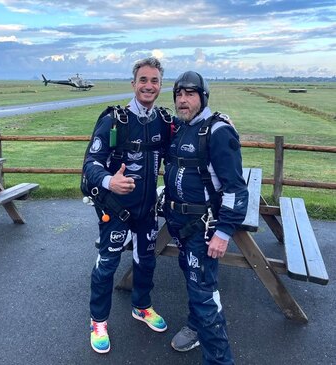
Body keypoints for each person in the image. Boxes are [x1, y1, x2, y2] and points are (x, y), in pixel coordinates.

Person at [81, 57, 171, 354]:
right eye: (143, 80)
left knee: (146, 260)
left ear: (160, 85)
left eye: (154, 80)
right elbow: (90, 165)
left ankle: (142, 306)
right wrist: (109, 181)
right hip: (117, 210)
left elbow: (190, 139)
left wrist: (219, 121)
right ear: (133, 84)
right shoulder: (113, 120)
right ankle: (98, 321)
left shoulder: (164, 121)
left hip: (147, 211)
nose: (148, 85)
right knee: (107, 265)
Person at [163, 71, 249, 364]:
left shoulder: (218, 132)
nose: (183, 100)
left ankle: (219, 360)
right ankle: (195, 325)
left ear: (203, 97)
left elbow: (236, 189)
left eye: (190, 94)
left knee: (205, 297)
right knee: (193, 281)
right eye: (179, 94)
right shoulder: (180, 127)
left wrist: (223, 232)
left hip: (204, 231)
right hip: (180, 226)